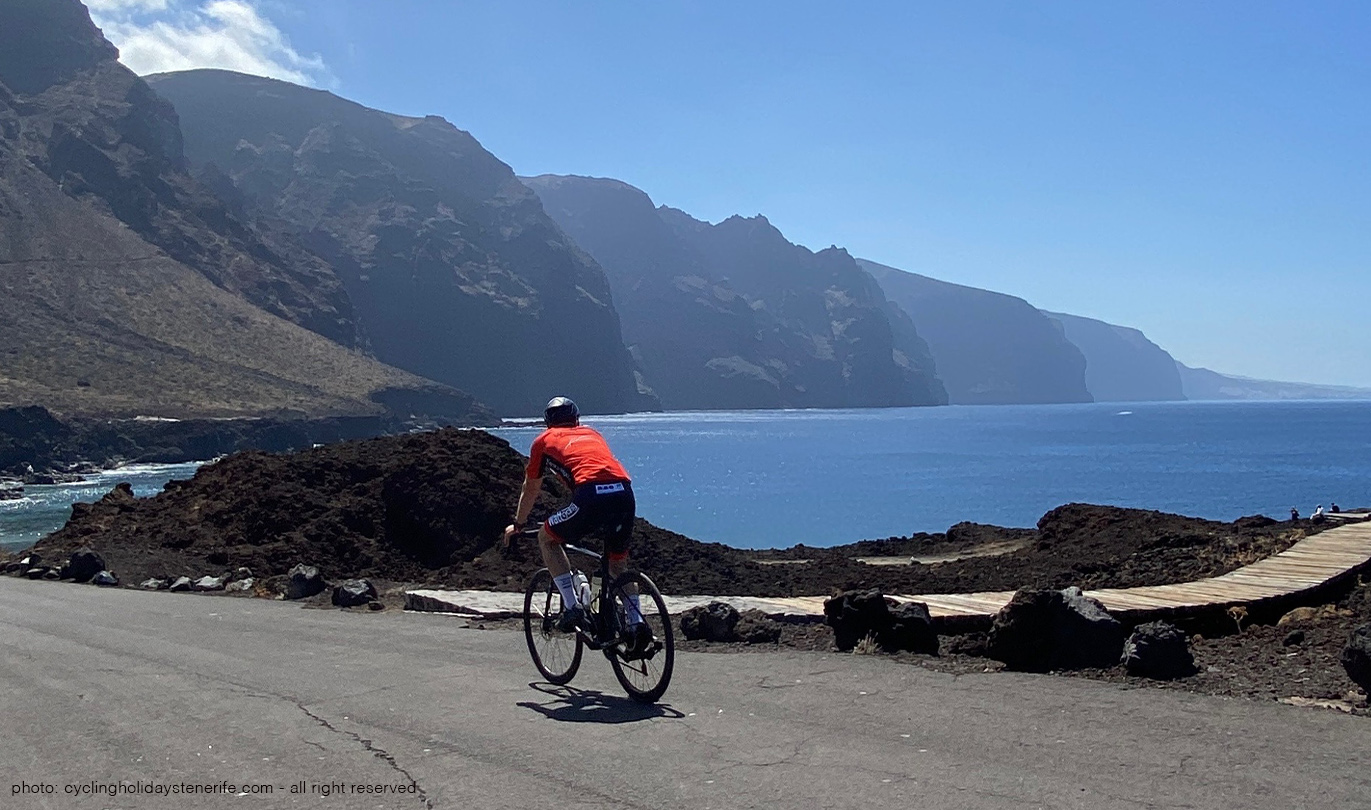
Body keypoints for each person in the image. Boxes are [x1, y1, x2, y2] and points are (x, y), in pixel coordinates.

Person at [503, 396, 650, 652]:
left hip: (590, 496)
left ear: (547, 423)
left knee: (547, 538)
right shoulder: (593, 434)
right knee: (617, 563)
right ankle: (636, 623)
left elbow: (531, 488)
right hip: (624, 493)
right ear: (577, 419)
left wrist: (518, 523)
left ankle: (572, 608)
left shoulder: (543, 442)